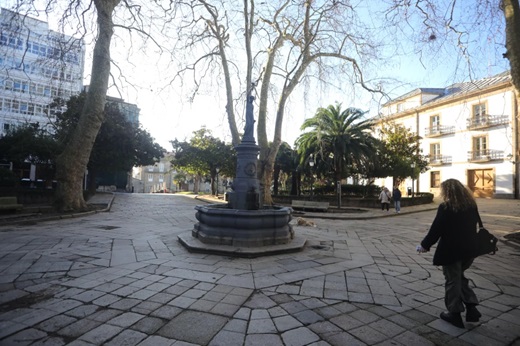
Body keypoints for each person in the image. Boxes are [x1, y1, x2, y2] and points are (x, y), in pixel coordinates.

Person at [416, 179, 481, 329]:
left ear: (447, 191)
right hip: (470, 250)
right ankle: (472, 308)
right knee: (458, 277)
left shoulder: (446, 207)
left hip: (452, 251)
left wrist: (424, 245)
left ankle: (454, 313)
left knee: (452, 281)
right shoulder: (471, 205)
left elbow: (436, 229)